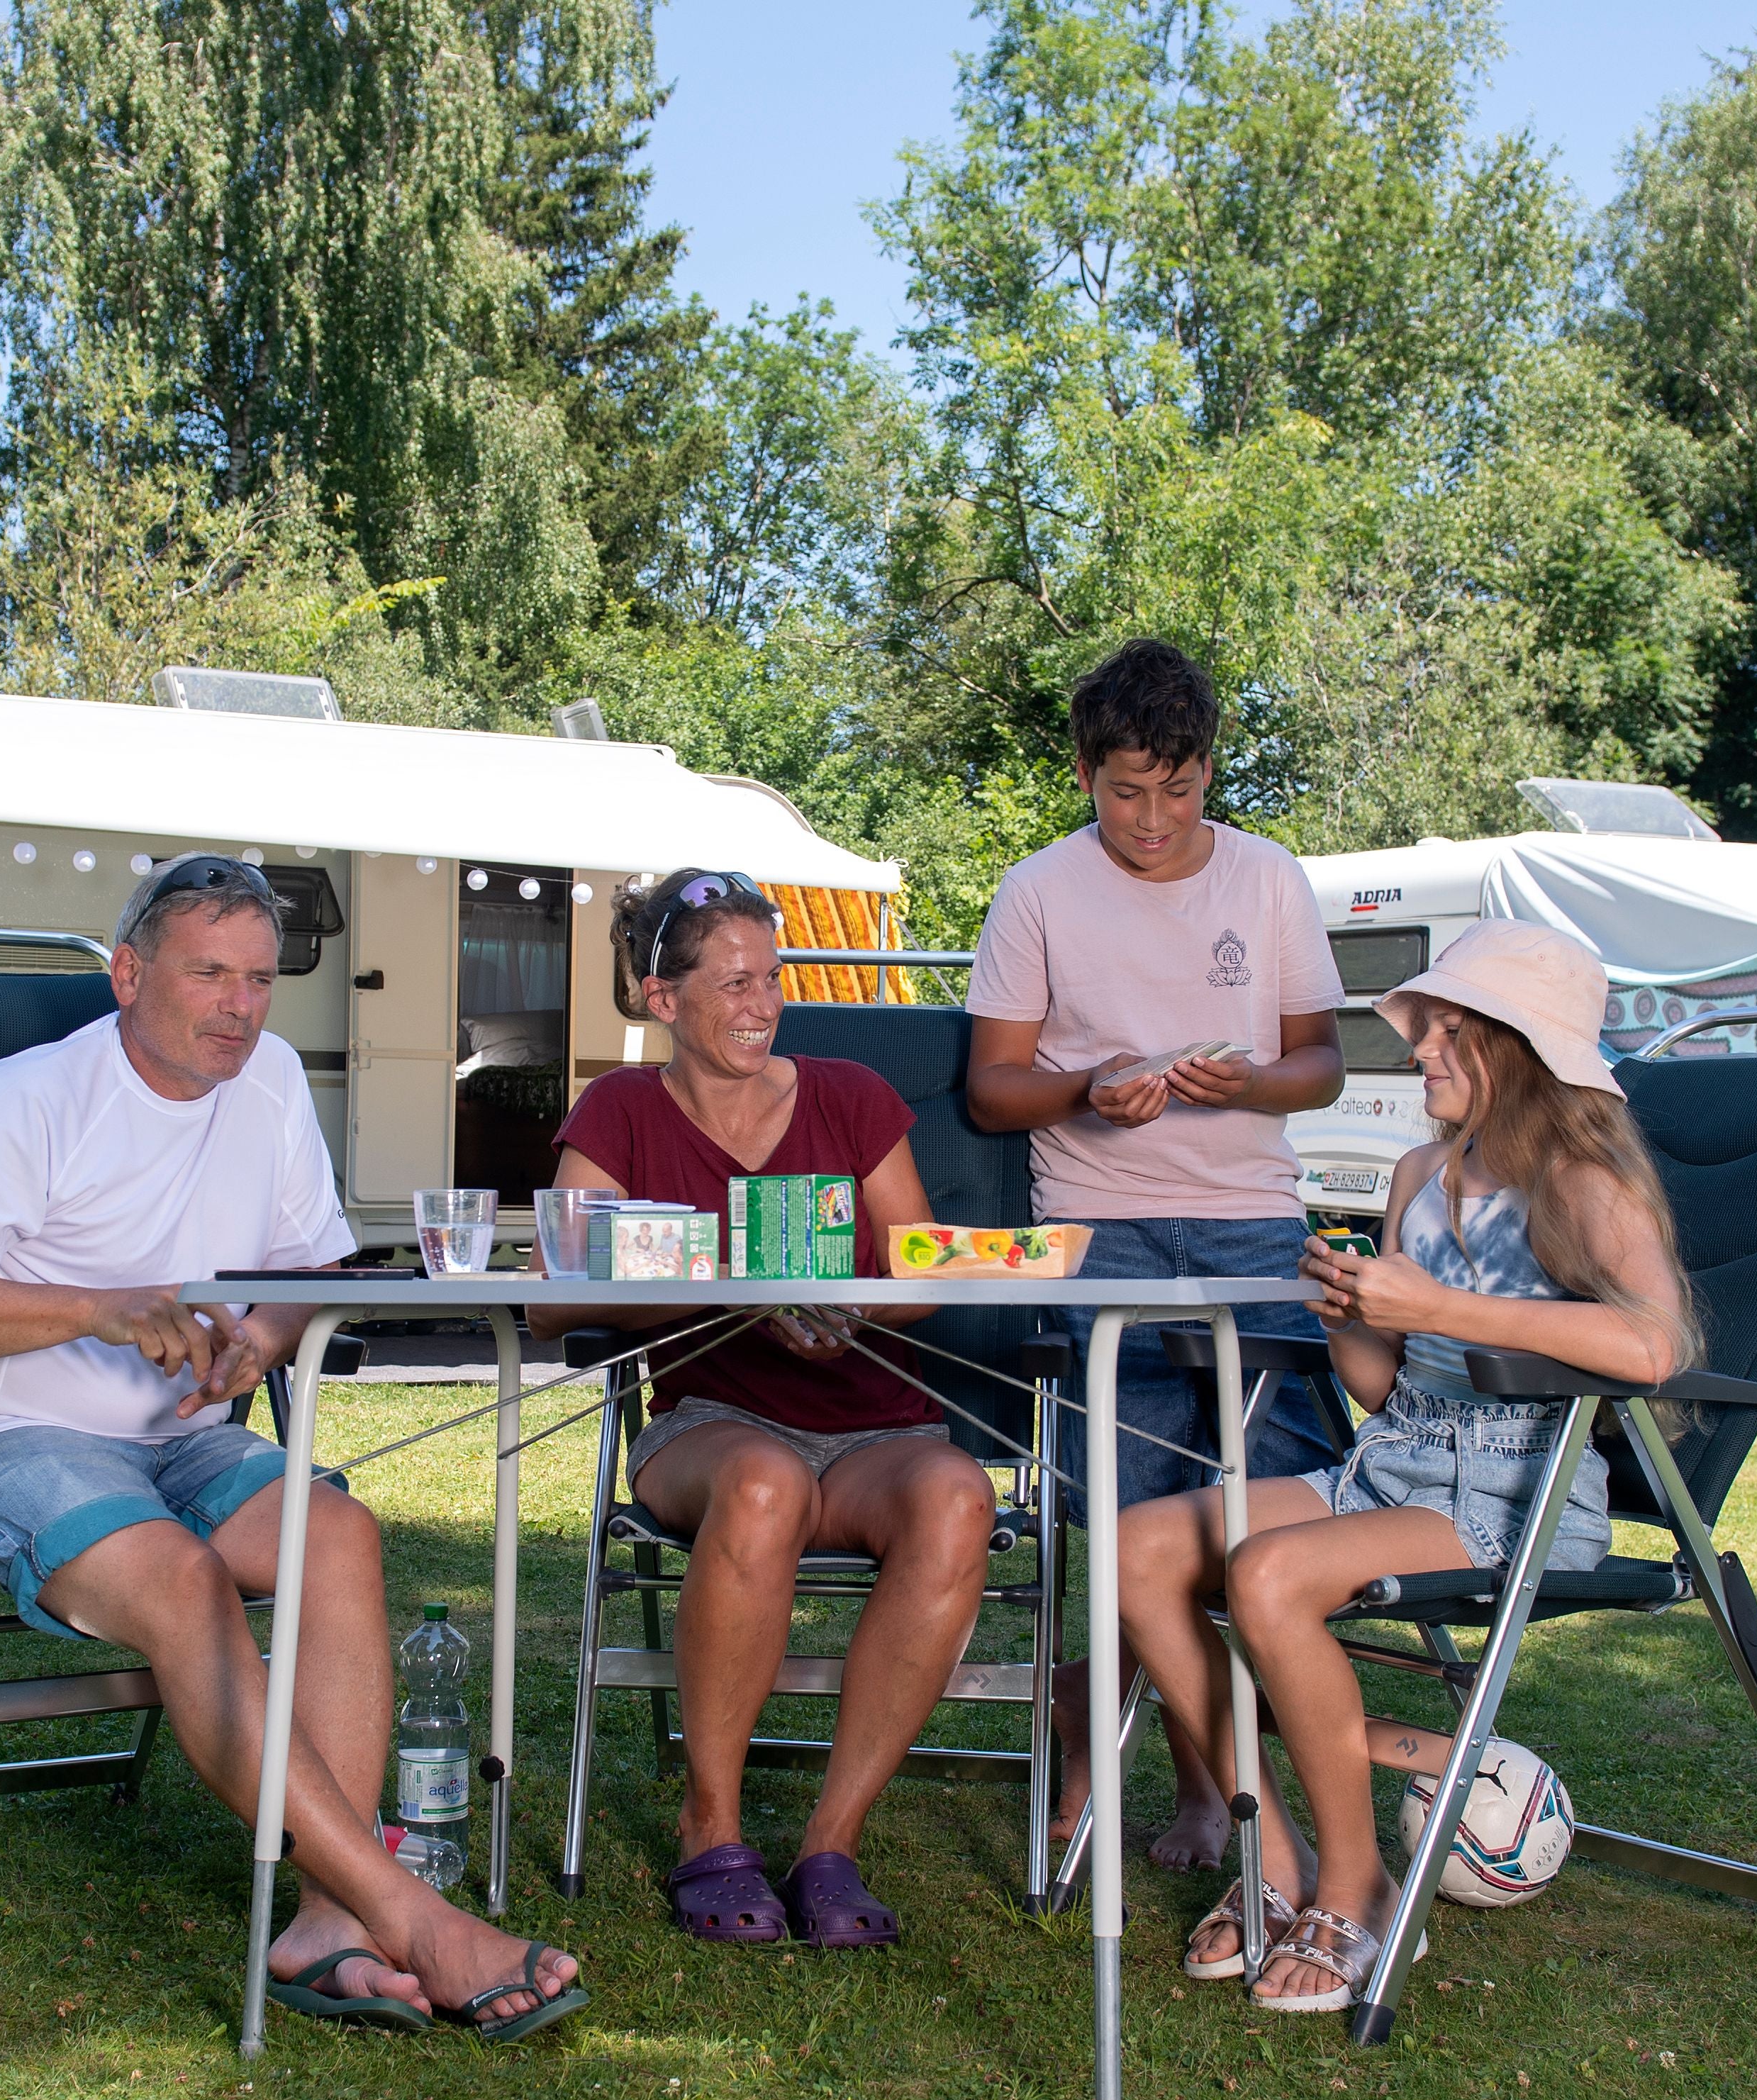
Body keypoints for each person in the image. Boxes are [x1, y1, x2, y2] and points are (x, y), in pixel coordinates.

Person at [0, 852, 584, 2041]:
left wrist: (264, 1334)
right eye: (210, 975)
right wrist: (94, 1305)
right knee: (186, 1583)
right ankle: (407, 1915)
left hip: (176, 1431)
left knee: (338, 1535)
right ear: (129, 974)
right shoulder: (22, 1099)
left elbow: (303, 1268)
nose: (241, 1006)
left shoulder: (275, 1080)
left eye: (259, 978)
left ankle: (323, 1928)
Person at [1109, 920, 1694, 2011]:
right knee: (1138, 1546)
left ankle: (1360, 1887)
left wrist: (1434, 1305)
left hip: (1513, 1497)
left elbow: (1656, 1347)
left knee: (1271, 1575)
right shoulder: (1424, 1172)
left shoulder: (1583, 1181)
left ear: (1512, 1048)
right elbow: (1382, 1388)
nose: (1418, 1049)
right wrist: (1349, 1312)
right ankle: (1272, 1860)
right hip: (1393, 1464)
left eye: (1444, 1033)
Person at [527, 870, 1000, 1950]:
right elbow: (551, 1301)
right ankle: (714, 1822)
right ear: (661, 998)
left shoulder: (848, 1095)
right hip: (715, 1427)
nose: (761, 1004)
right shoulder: (620, 1110)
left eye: (771, 978)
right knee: (763, 1482)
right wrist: (735, 1278)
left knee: (959, 1497)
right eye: (733, 982)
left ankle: (832, 1841)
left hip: (877, 1423)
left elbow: (920, 1275)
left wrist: (844, 1287)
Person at [962, 638, 1349, 1868]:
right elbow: (991, 1093)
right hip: (1097, 1232)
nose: (1152, 819)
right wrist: (1086, 1091)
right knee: (1122, 1511)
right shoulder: (1036, 892)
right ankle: (1165, 1772)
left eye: (1178, 791)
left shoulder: (1271, 879)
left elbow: (1323, 1066)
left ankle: (1196, 1771)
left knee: (1262, 1521)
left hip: (1253, 1230)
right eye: (1126, 790)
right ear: (1085, 772)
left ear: (1209, 771)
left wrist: (1247, 1080)